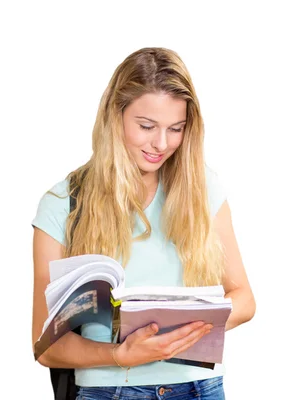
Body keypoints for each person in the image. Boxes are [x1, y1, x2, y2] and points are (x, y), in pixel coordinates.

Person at [30, 47, 255, 400]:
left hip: (199, 388)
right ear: (114, 116)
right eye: (146, 126)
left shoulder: (203, 190)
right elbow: (45, 347)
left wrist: (189, 327)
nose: (161, 144)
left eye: (176, 129)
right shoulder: (63, 205)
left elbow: (244, 298)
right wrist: (119, 355)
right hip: (109, 392)